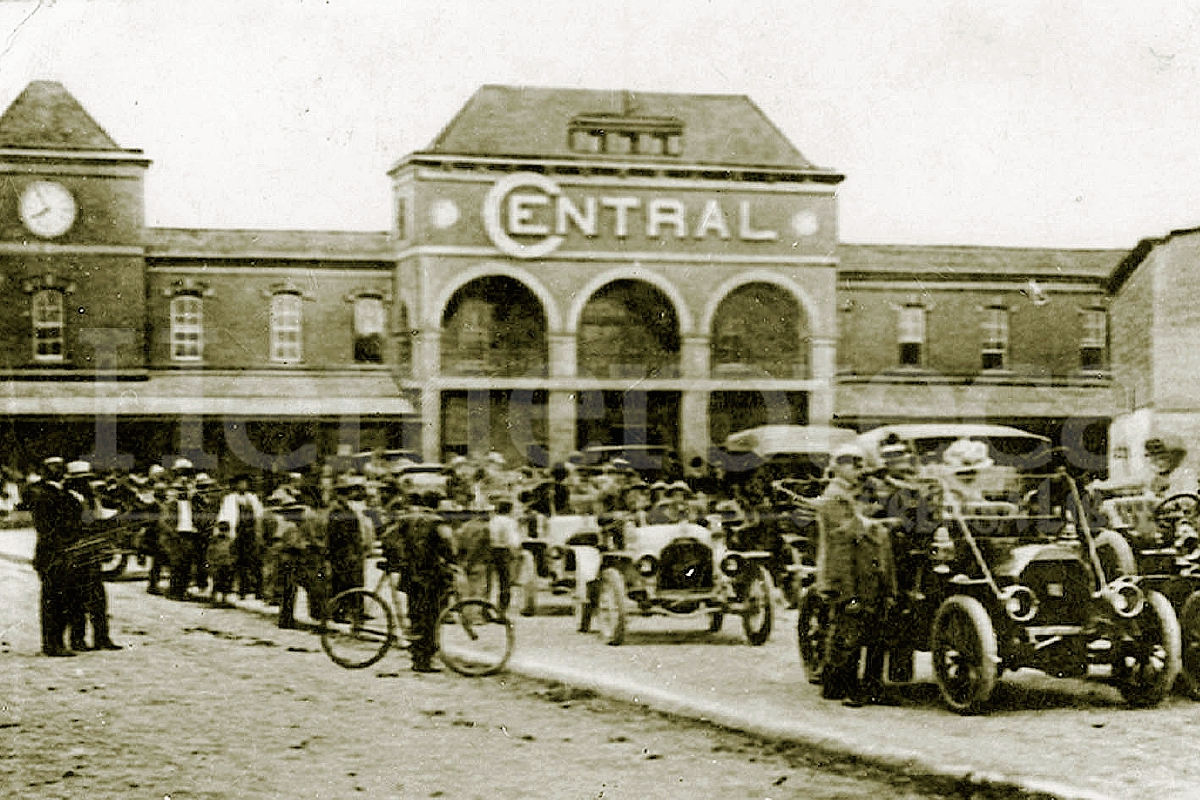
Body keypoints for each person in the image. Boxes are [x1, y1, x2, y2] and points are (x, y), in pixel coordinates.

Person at [816, 443, 898, 707]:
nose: (858, 469)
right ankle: (847, 688)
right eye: (852, 464)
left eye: (859, 464)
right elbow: (843, 542)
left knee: (873, 632)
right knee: (849, 632)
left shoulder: (851, 493)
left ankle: (869, 687)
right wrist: (847, 591)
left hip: (866, 571)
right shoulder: (834, 496)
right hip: (848, 573)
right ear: (838, 466)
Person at [62, 460, 121, 651]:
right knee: (77, 599)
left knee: (98, 598)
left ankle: (102, 637)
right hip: (76, 554)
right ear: (73, 481)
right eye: (81, 479)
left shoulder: (91, 498)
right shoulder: (66, 498)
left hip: (91, 552)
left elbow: (101, 517)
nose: (85, 483)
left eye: (87, 479)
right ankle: (77, 639)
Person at [393, 491, 455, 673]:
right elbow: (448, 547)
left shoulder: (406, 519)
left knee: (415, 614)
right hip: (430, 576)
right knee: (430, 617)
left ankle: (416, 657)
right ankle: (424, 660)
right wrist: (452, 561)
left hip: (410, 575)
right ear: (438, 504)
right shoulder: (438, 522)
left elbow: (391, 539)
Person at [30, 456, 76, 656]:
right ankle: (52, 643)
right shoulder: (46, 495)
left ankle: (56, 642)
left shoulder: (58, 493)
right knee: (54, 601)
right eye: (56, 468)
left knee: (60, 600)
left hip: (55, 553)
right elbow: (49, 527)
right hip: (53, 553)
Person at [271, 487, 329, 629]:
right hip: (292, 559)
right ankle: (288, 619)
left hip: (299, 559)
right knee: (292, 590)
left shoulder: (302, 524)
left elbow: (310, 540)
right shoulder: (288, 526)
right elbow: (283, 542)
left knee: (297, 589)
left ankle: (296, 617)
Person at [218, 473, 265, 599]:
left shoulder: (253, 498)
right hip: (237, 532)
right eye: (240, 483)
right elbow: (224, 516)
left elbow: (260, 514)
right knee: (238, 562)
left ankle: (258, 590)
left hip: (251, 533)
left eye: (245, 483)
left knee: (254, 561)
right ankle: (241, 590)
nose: (243, 485)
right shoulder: (230, 498)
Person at [487, 499, 522, 612]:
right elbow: (512, 540)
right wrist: (516, 553)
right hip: (504, 550)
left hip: (491, 549)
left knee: (489, 579)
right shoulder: (510, 522)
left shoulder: (492, 520)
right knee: (505, 580)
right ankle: (503, 606)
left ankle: (486, 604)